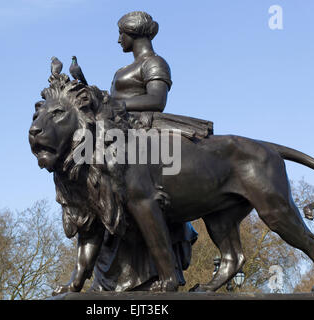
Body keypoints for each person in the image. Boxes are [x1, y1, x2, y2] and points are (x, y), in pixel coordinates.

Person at [90, 11, 198, 292]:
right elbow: (110, 104)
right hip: (118, 136)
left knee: (133, 195)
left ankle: (154, 272)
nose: (118, 40)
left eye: (121, 34)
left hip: (143, 136)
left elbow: (157, 100)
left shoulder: (155, 63)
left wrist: (117, 104)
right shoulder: (123, 70)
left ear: (133, 34)